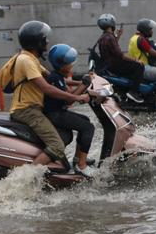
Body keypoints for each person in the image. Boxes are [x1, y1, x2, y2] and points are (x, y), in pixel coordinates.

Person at [10, 21, 89, 166]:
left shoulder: (30, 59)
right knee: (57, 147)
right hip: (28, 110)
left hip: (32, 108)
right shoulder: (26, 60)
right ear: (36, 40)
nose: (47, 41)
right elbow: (47, 88)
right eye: (44, 38)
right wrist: (76, 97)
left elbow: (53, 78)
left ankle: (76, 162)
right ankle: (28, 178)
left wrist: (81, 83)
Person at [43, 44, 96, 178]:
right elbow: (69, 100)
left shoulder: (57, 75)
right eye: (69, 63)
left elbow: (68, 87)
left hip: (58, 112)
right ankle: (81, 165)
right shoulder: (55, 78)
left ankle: (78, 158)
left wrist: (81, 82)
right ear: (61, 64)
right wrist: (84, 84)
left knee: (86, 120)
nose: (71, 65)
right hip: (55, 115)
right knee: (88, 128)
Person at [96, 13, 145, 103]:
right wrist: (136, 60)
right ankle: (133, 92)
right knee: (139, 66)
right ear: (111, 24)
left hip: (109, 66)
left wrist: (118, 36)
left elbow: (112, 50)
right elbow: (119, 54)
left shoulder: (103, 37)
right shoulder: (110, 37)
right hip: (115, 66)